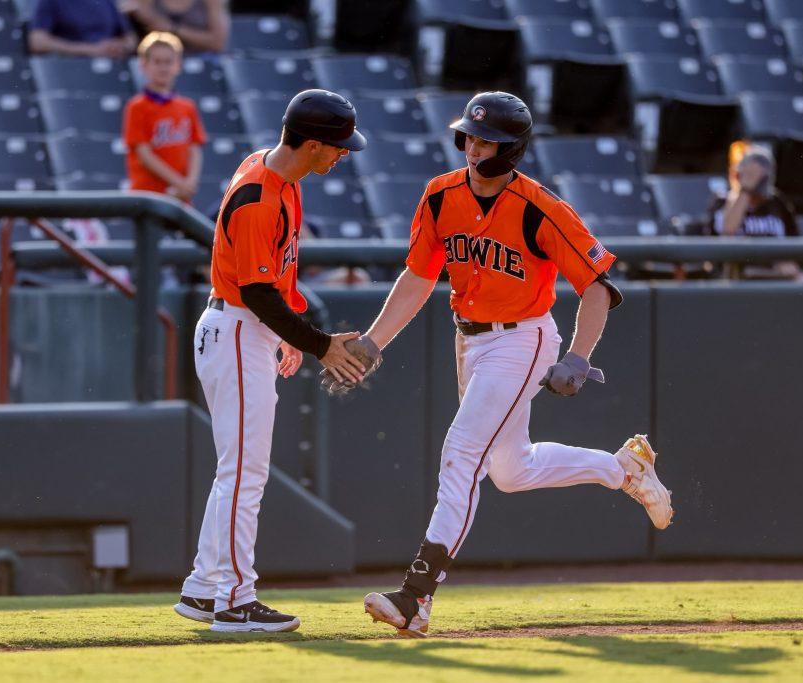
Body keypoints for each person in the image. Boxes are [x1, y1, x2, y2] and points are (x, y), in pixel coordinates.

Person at [342, 92, 674, 638]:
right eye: (469, 136)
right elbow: (420, 276)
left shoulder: (539, 205)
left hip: (521, 340)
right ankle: (625, 469)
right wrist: (376, 340)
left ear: (511, 148)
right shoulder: (439, 195)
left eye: (486, 139)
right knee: (510, 470)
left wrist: (577, 355)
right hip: (469, 340)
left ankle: (416, 597)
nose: (474, 147)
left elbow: (597, 287)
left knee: (462, 455)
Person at [173, 89, 369, 633]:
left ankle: (203, 588)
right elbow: (257, 291)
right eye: (336, 146)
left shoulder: (275, 172)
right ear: (310, 143)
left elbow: (271, 278)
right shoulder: (260, 194)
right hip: (236, 325)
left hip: (243, 327)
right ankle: (234, 599)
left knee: (237, 470)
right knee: (245, 471)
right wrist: (319, 343)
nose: (341, 155)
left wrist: (287, 332)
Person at [123, 32, 206, 202]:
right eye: (157, 62)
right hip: (147, 196)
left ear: (178, 65)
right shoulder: (136, 106)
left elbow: (195, 148)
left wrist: (190, 182)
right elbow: (144, 154)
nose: (163, 67)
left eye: (168, 62)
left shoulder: (187, 106)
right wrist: (179, 183)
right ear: (143, 65)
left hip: (180, 195)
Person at [707, 143, 803, 281]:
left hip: (776, 275)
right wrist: (746, 189)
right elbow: (727, 231)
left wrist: (790, 264)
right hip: (736, 276)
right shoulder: (723, 202)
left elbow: (794, 247)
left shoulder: (778, 203)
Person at [29, 0, 135, 58]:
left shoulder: (108, 2)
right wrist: (91, 49)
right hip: (71, 66)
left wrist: (119, 46)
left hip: (111, 63)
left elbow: (130, 39)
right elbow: (37, 42)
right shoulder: (51, 2)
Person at [121, 0, 230, 54]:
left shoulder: (212, 2)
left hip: (202, 59)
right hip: (159, 61)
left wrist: (172, 29)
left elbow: (217, 43)